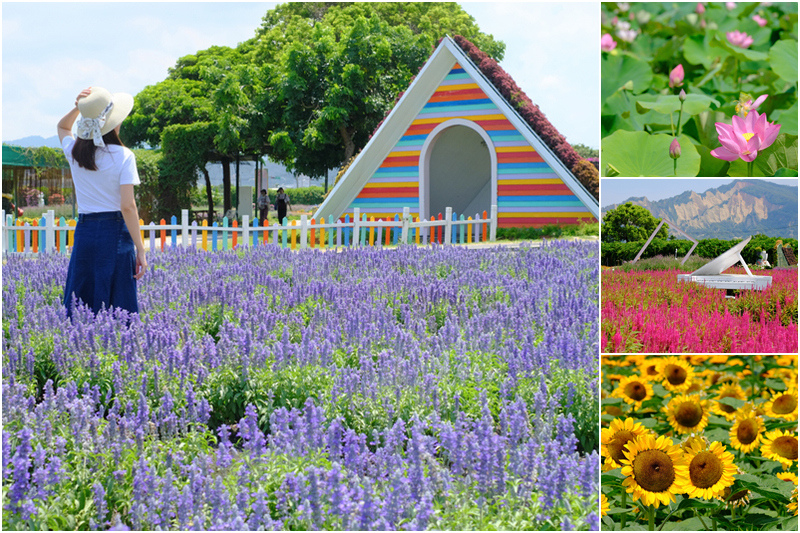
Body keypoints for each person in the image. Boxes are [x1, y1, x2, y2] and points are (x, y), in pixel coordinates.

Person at [57, 86, 147, 319]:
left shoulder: (75, 152)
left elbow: (63, 127)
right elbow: (128, 207)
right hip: (116, 231)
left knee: (81, 296)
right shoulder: (124, 156)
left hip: (86, 230)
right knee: (119, 300)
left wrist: (79, 108)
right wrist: (140, 248)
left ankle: (78, 348)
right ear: (113, 122)